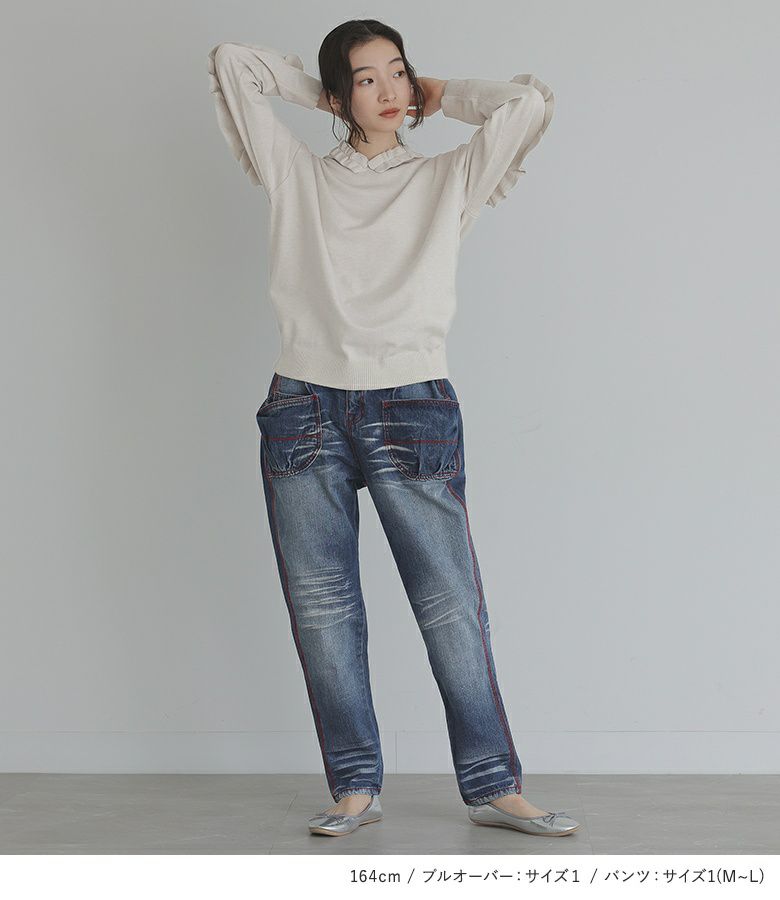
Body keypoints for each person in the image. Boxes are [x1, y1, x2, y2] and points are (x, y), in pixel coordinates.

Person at [207, 18, 578, 838]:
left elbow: (527, 106)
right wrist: (326, 95)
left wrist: (440, 94)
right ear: (340, 96)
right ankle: (354, 788)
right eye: (366, 78)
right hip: (304, 405)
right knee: (323, 609)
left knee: (451, 602)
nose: (388, 90)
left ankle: (494, 785)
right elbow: (233, 64)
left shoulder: (446, 178)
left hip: (412, 404)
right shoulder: (298, 174)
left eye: (398, 72)